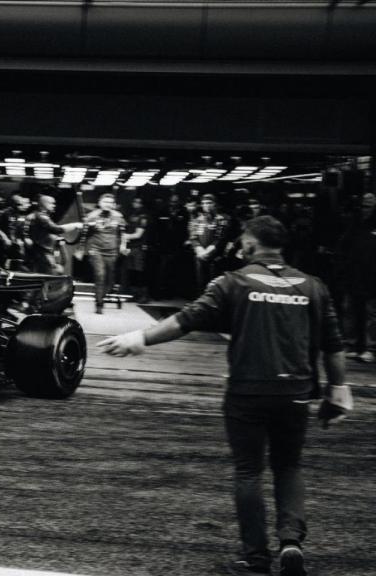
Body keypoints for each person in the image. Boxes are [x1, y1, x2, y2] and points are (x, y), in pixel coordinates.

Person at [99, 216, 352, 576]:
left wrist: (138, 339)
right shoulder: (314, 286)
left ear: (250, 245)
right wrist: (337, 393)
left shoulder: (233, 282)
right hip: (295, 392)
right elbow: (334, 346)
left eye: (242, 241)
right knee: (289, 466)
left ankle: (256, 557)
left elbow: (185, 320)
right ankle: (291, 542)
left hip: (247, 392)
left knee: (248, 471)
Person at [336, 192, 376, 363]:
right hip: (354, 273)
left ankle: (370, 347)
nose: (365, 209)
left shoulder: (362, 226)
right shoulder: (354, 225)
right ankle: (351, 344)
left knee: (370, 313)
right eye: (363, 206)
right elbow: (344, 246)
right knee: (351, 311)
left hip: (372, 274)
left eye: (368, 206)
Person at [78, 192, 126, 314]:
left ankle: (100, 296)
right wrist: (81, 249)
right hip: (95, 250)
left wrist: (123, 245)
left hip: (112, 251)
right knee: (100, 275)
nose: (108, 204)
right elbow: (84, 235)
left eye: (110, 202)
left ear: (114, 205)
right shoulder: (91, 216)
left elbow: (123, 234)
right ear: (100, 203)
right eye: (105, 202)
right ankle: (99, 303)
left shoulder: (118, 216)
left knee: (110, 280)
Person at [27, 192, 83, 274]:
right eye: (51, 203)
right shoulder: (41, 217)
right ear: (44, 204)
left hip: (46, 250)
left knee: (49, 273)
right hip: (43, 251)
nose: (54, 205)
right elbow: (56, 229)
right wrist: (75, 225)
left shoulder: (42, 216)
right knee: (47, 275)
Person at [189, 193, 232, 293]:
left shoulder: (222, 219)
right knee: (200, 282)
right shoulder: (197, 220)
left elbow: (220, 238)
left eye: (209, 203)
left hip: (215, 257)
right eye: (204, 203)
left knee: (214, 284)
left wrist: (208, 252)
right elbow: (193, 237)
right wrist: (199, 250)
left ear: (215, 204)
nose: (206, 206)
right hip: (200, 256)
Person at [121, 196, 149, 302]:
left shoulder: (143, 217)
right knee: (132, 272)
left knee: (139, 272)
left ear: (142, 204)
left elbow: (138, 234)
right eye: (135, 201)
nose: (136, 204)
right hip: (131, 247)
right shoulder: (131, 215)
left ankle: (143, 295)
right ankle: (135, 294)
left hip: (139, 248)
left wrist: (125, 236)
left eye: (139, 202)